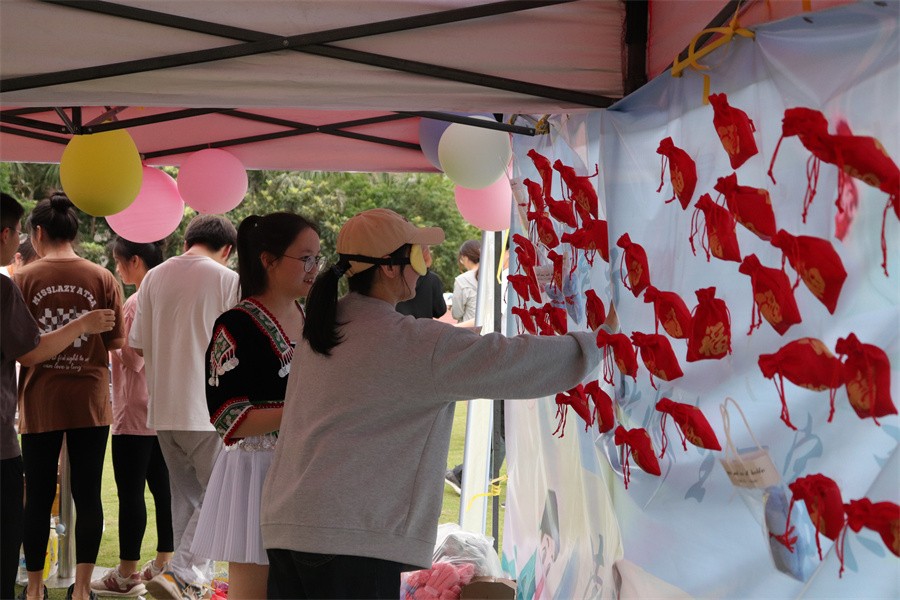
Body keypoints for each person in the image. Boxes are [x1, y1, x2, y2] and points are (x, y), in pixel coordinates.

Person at [260, 208, 603, 599]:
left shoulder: (326, 327)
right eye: (419, 256)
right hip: (352, 536)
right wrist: (598, 342)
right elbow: (513, 362)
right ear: (390, 267)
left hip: (291, 526)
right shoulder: (413, 343)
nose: (424, 267)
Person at [190, 212, 321, 600]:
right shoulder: (236, 324)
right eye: (305, 258)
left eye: (318, 258)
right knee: (253, 590)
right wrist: (307, 408)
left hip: (309, 466)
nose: (314, 269)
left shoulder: (313, 318)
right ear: (268, 260)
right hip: (258, 472)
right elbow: (228, 418)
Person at [0, 193, 115, 600]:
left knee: (37, 496)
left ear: (37, 233)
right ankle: (81, 589)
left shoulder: (21, 279)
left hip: (40, 400)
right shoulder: (103, 277)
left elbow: (22, 347)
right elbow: (116, 341)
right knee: (88, 494)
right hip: (89, 401)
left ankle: (34, 588)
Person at [129, 215, 239, 600]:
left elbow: (138, 345)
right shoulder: (228, 280)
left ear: (187, 241)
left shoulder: (153, 277)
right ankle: (182, 573)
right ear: (227, 250)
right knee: (221, 495)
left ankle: (190, 583)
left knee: (187, 500)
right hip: (209, 407)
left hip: (164, 408)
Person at [90, 239, 174, 598]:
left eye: (119, 262)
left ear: (135, 261)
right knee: (164, 492)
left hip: (135, 412)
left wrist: (103, 334)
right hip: (165, 410)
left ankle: (126, 574)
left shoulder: (137, 301)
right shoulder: (169, 297)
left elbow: (132, 358)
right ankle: (165, 564)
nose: (118, 269)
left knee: (131, 494)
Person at [395, 245, 446, 319]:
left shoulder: (392, 277)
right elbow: (440, 311)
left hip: (396, 324)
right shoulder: (433, 279)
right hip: (424, 325)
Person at [451, 239, 480, 325]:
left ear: (465, 258)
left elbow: (456, 314)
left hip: (470, 329)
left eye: (461, 259)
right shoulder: (493, 276)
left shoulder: (462, 280)